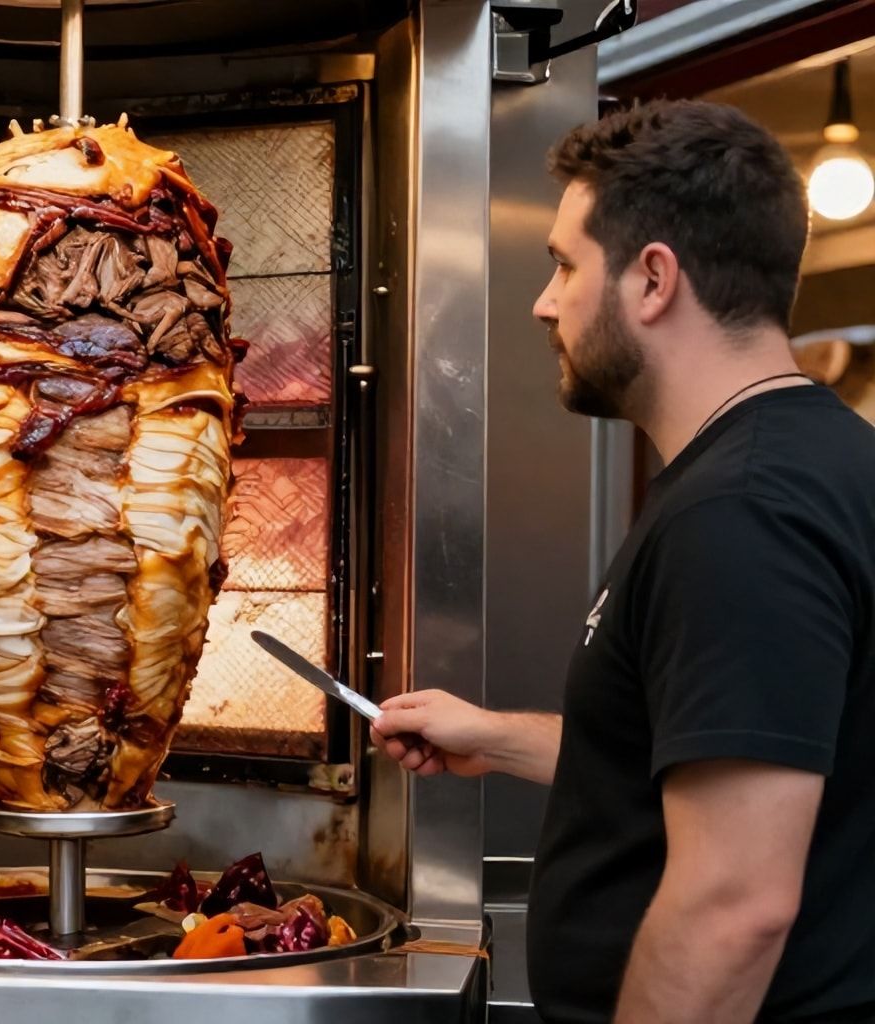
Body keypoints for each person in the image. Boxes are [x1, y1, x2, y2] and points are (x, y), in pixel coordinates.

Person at [370, 100, 875, 1023]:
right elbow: (730, 752)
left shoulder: (742, 512)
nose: (545, 300)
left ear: (652, 280)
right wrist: (495, 736)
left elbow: (736, 906)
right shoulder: (803, 465)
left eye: (565, 264)